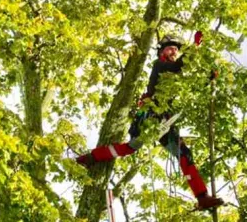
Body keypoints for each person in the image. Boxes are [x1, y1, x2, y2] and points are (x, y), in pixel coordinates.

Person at [76, 34, 224, 210]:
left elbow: (188, 88)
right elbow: (177, 66)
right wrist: (195, 46)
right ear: (161, 51)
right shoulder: (160, 66)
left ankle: (202, 196)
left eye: (176, 50)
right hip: (149, 117)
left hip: (165, 123)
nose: (174, 52)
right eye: (170, 48)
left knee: (184, 153)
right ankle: (91, 157)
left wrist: (208, 78)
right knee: (131, 147)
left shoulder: (175, 77)